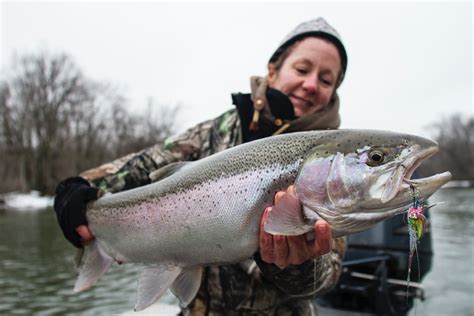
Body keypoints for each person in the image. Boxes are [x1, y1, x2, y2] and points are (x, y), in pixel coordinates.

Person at [54, 17, 348, 315]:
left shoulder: (336, 168)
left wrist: (296, 263)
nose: (311, 84)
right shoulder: (215, 131)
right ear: (273, 71)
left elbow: (326, 278)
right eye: (301, 69)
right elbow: (138, 168)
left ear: (333, 92)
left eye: (326, 80)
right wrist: (77, 189)